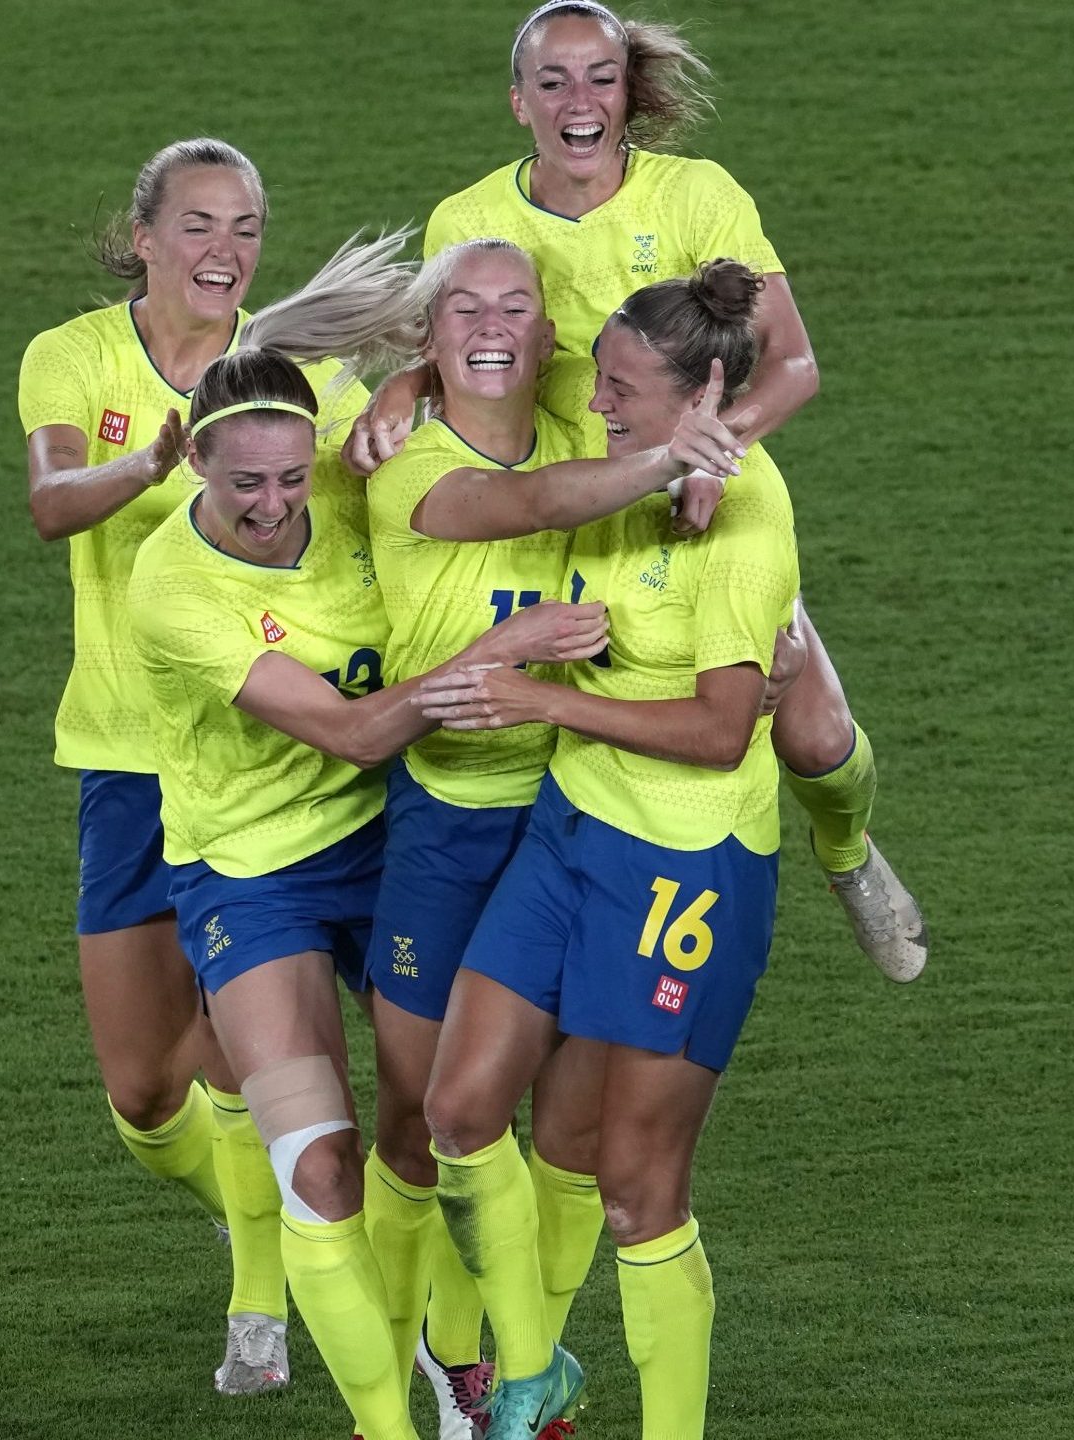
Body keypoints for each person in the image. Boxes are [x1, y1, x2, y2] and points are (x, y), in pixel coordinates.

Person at [128, 236, 738, 1440]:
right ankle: (388, 1426)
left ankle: (479, 1369)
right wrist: (500, 654)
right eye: (245, 485)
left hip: (399, 828)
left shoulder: (349, 449)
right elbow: (356, 732)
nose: (275, 505)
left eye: (290, 479)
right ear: (194, 461)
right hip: (257, 870)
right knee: (325, 1166)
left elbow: (479, 383)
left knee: (453, 1127)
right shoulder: (175, 588)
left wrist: (410, 379)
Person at [350, 0, 928, 989]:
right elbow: (453, 339)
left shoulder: (698, 195)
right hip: (569, 488)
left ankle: (846, 854)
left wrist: (707, 455)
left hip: (710, 477)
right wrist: (404, 386)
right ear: (519, 102)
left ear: (626, 92)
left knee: (813, 729)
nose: (578, 101)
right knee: (599, 689)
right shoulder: (468, 218)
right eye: (553, 82)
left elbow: (793, 364)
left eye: (600, 78)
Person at [355, 234, 742, 1429]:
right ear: (428, 336)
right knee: (425, 1120)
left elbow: (699, 379)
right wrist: (671, 458)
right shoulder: (407, 465)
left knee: (566, 1140)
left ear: (548, 332)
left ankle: (517, 1373)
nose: (490, 325)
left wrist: (698, 456)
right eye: (462, 309)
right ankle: (430, 1367)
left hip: (577, 820)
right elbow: (525, 503)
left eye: (513, 306)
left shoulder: (593, 413)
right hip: (446, 824)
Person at [18, 137, 367, 1395]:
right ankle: (260, 1212)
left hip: (261, 762)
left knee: (243, 1046)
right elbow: (53, 502)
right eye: (201, 225)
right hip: (126, 758)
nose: (227, 251)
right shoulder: (73, 355)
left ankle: (261, 1307)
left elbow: (369, 490)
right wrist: (154, 463)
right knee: (142, 1096)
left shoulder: (294, 375)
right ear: (147, 237)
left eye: (247, 228)